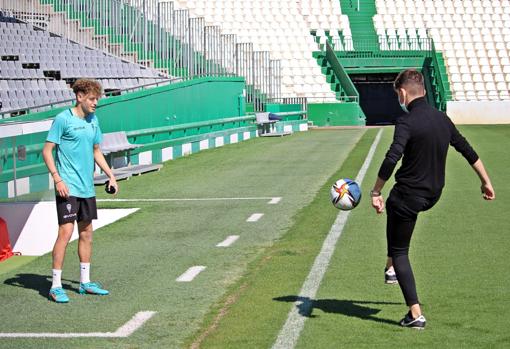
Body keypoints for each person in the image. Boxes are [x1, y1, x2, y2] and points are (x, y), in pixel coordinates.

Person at [370, 69, 495, 329]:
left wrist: (375, 191)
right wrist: (486, 181)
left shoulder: (406, 122)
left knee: (400, 244)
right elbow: (467, 150)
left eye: (398, 95)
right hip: (433, 194)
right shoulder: (442, 119)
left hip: (409, 196)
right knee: (395, 207)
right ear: (424, 91)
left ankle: (415, 313)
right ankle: (390, 268)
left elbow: (393, 157)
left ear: (402, 93)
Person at [42, 79, 118, 303]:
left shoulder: (93, 121)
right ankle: (55, 286)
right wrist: (57, 179)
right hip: (67, 187)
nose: (96, 103)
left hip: (86, 188)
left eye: (97, 99)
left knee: (87, 233)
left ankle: (85, 283)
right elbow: (47, 151)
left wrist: (110, 174)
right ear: (79, 97)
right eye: (92, 99)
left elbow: (96, 150)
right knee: (65, 233)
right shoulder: (62, 119)